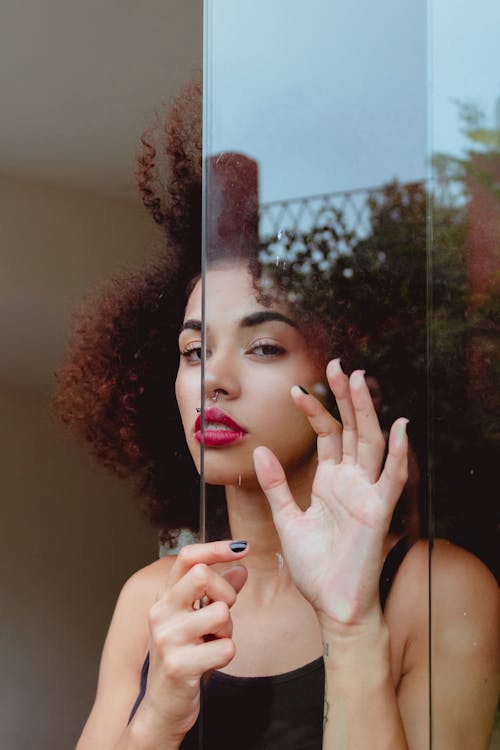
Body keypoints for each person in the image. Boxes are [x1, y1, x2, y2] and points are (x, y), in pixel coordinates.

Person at [53, 86, 500, 749]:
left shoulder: (436, 591)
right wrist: (157, 718)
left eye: (264, 346)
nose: (215, 380)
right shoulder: (153, 598)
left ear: (352, 372)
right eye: (194, 350)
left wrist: (351, 630)